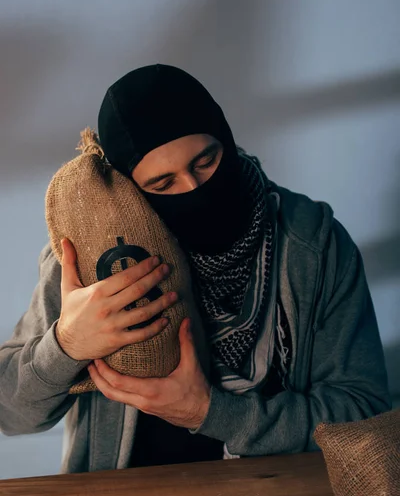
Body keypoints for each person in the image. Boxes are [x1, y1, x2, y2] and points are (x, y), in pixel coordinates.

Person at [0, 64, 390, 474]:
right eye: (163, 185)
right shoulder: (92, 261)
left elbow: (362, 417)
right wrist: (66, 344)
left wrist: (209, 411)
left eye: (206, 161)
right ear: (131, 186)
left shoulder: (313, 244)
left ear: (226, 137)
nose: (193, 189)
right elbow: (11, 414)